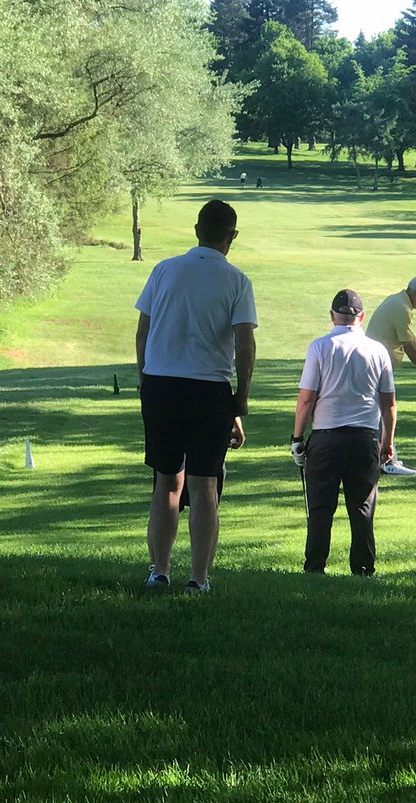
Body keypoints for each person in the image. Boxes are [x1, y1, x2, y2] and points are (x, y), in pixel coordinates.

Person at [136, 199, 257, 594]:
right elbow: (244, 343)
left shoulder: (164, 270)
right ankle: (199, 579)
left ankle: (159, 571)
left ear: (196, 229)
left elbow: (143, 331)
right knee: (205, 486)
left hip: (161, 385)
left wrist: (144, 380)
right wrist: (241, 396)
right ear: (231, 237)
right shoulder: (237, 281)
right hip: (208, 389)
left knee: (166, 482)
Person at [290, 289, 394, 577]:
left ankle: (315, 566)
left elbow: (306, 399)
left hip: (326, 437)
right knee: (362, 507)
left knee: (321, 507)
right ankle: (362, 567)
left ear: (332, 316)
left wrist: (297, 438)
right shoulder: (377, 350)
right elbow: (389, 404)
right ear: (361, 316)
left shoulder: (320, 347)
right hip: (364, 437)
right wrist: (388, 443)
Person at [365, 275, 416, 476]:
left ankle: (384, 457)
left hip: (377, 365)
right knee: (384, 412)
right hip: (378, 367)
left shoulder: (399, 302)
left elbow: (412, 340)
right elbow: (409, 346)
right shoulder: (401, 308)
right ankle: (388, 461)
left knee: (380, 412)